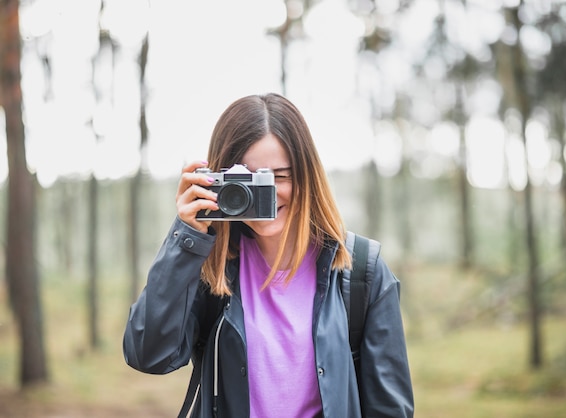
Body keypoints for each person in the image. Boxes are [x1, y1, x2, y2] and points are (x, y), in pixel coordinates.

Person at [123, 93, 414, 417]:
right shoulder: (209, 269)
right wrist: (185, 240)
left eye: (280, 176)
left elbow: (390, 409)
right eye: (248, 179)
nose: (267, 194)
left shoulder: (361, 272)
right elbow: (148, 355)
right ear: (221, 181)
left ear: (307, 176)